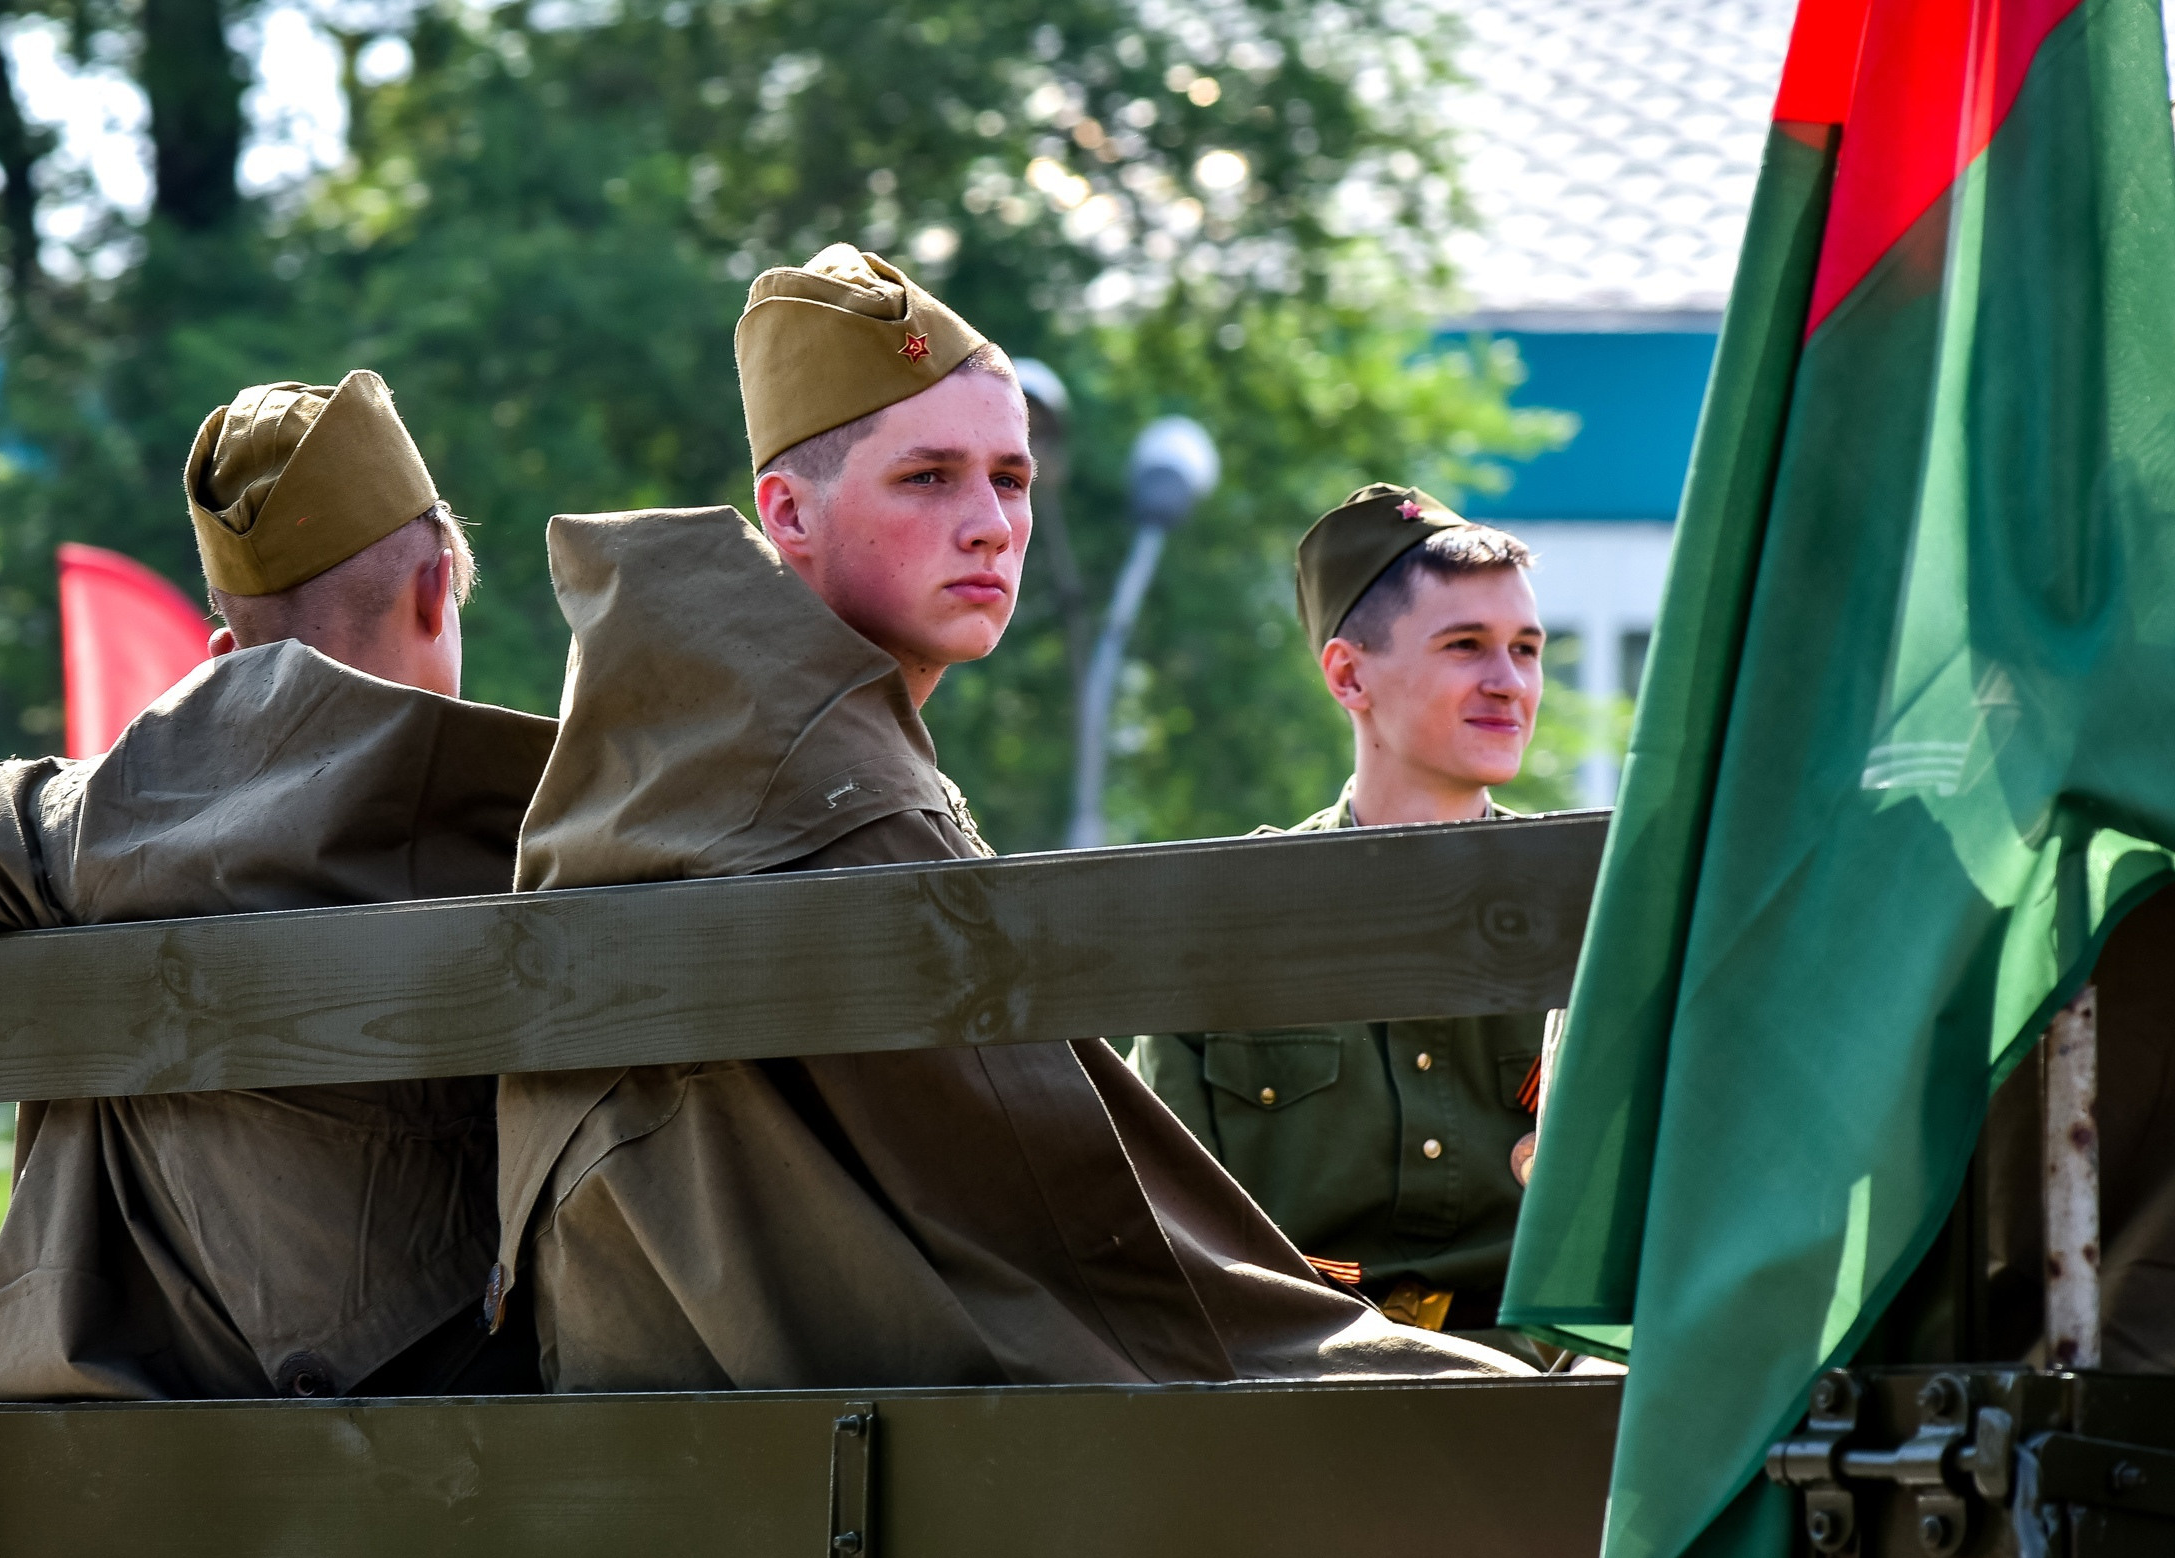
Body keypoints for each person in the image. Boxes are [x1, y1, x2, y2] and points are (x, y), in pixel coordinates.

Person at [491, 244, 1524, 1393]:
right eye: (927, 477)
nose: (989, 524)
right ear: (787, 510)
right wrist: (1430, 1376)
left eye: (1012, 480)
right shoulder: (834, 799)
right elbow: (1087, 1229)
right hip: (870, 1454)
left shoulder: (692, 747)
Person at [0, 370, 557, 1401]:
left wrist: (55, 824)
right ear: (433, 592)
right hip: (510, 1460)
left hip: (140, 1483)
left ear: (226, 656)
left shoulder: (98, 829)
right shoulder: (566, 821)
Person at [1131, 485, 1553, 1357]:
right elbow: (1170, 1234)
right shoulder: (1229, 919)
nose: (1508, 684)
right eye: (1465, 646)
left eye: (1526, 649)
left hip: (1551, 1387)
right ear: (1348, 674)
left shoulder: (1584, 910)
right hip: (1288, 1392)